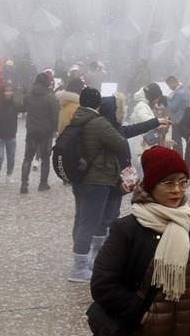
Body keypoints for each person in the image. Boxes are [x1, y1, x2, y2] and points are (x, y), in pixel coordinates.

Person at [84, 146, 190, 336]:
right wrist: (140, 314)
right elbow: (103, 284)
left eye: (183, 182)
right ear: (151, 184)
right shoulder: (127, 229)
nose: (177, 190)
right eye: (169, 183)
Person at [68, 87, 131, 283]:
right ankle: (79, 269)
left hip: (80, 176)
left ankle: (83, 260)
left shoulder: (77, 117)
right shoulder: (98, 123)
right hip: (97, 179)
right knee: (90, 223)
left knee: (80, 220)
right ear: (97, 104)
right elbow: (120, 142)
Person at [21, 72, 58, 193]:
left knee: (27, 158)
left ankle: (24, 185)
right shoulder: (50, 96)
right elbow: (54, 115)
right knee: (45, 158)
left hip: (31, 130)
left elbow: (24, 107)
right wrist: (54, 129)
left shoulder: (29, 95)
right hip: (45, 132)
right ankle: (43, 183)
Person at [127, 83, 166, 159]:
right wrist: (160, 121)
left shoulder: (145, 105)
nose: (157, 101)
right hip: (141, 145)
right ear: (152, 96)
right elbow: (146, 120)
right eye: (157, 98)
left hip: (144, 143)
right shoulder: (141, 105)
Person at [0, 83, 22, 180]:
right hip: (0, 136)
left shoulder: (15, 103)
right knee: (0, 158)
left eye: (10, 91)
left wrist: (19, 94)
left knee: (11, 158)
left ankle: (9, 173)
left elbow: (23, 106)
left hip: (11, 135)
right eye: (6, 91)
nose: (8, 93)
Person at [166, 75, 190, 152]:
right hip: (184, 118)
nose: (169, 87)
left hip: (177, 119)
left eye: (169, 85)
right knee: (185, 139)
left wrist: (167, 101)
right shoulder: (185, 90)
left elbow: (173, 107)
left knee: (176, 141)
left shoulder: (179, 93)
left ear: (173, 82)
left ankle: (178, 157)